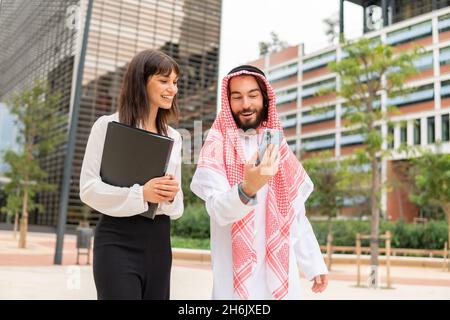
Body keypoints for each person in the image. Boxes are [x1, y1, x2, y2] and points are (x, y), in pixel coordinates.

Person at [190, 65, 328, 300]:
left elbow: (294, 212)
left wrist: (313, 263)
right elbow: (217, 210)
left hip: (279, 274)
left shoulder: (275, 144)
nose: (246, 104)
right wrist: (247, 188)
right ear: (228, 101)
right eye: (237, 97)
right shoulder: (216, 145)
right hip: (233, 278)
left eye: (253, 95)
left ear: (265, 99)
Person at [79, 49, 183, 300]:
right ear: (141, 81)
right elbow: (88, 188)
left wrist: (169, 196)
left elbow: (177, 208)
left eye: (175, 82)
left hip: (159, 243)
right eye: (164, 80)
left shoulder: (175, 137)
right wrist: (142, 194)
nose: (172, 89)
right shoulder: (106, 126)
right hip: (117, 240)